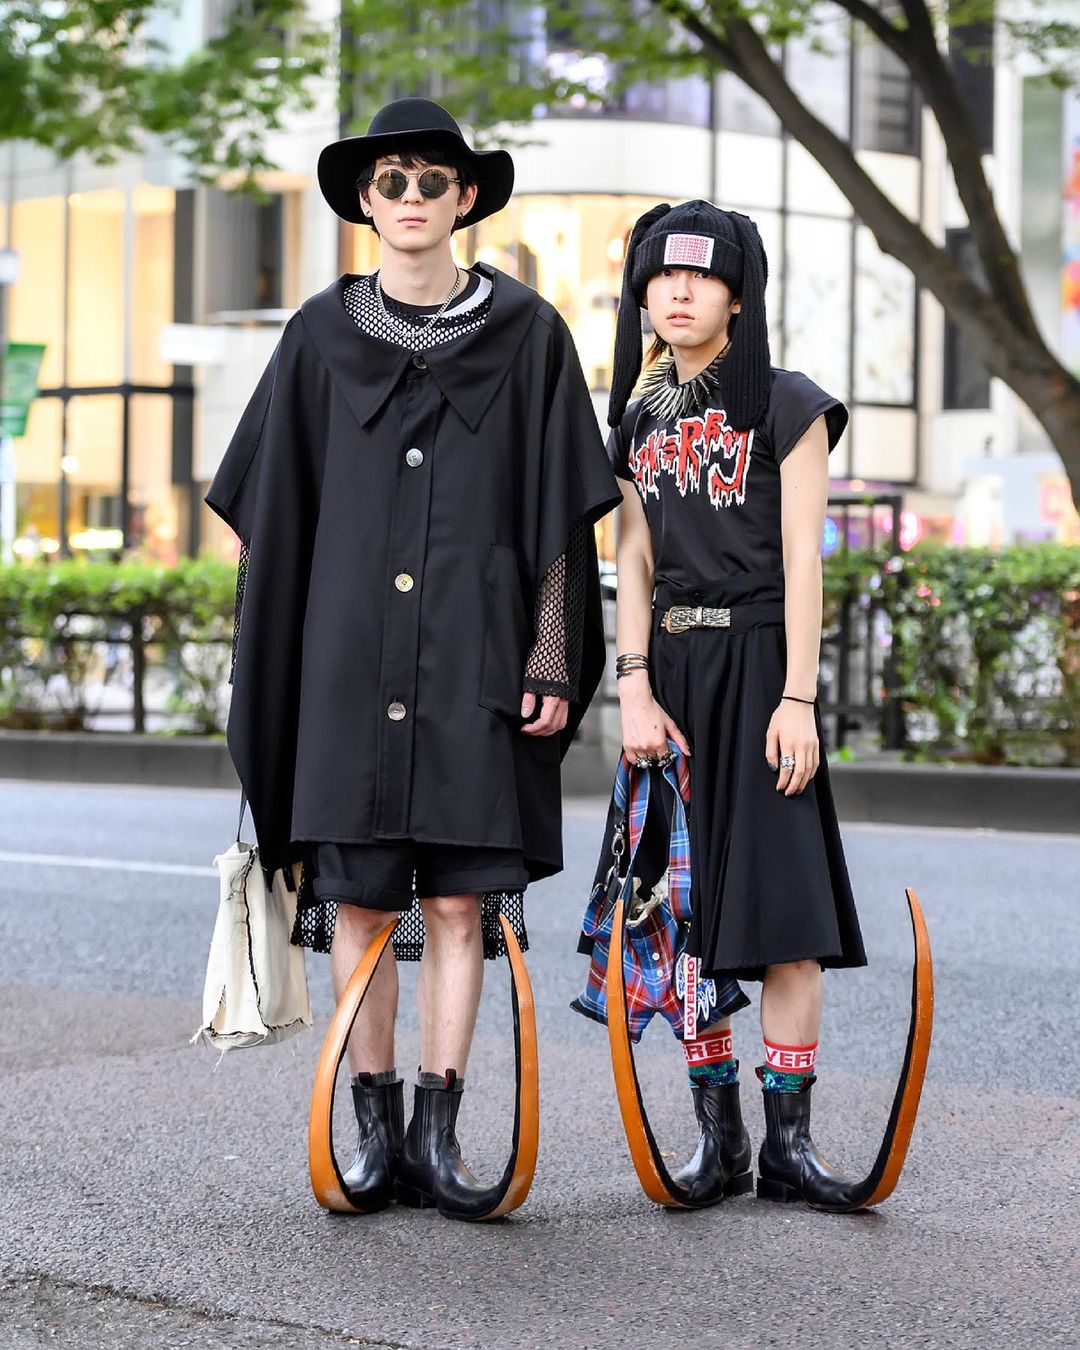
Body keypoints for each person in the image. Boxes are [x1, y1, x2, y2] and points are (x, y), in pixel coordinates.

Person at [206, 98, 620, 1221]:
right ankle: (372, 1126)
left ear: (466, 198)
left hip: (475, 667)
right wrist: (273, 664)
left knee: (455, 908)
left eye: (432, 182)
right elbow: (257, 510)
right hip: (345, 672)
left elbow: (557, 522)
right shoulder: (318, 334)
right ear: (367, 203)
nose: (412, 200)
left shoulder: (529, 335)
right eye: (391, 182)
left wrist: (548, 657)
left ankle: (442, 1129)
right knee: (359, 904)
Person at [604, 200, 868, 1210]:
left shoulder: (790, 404)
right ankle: (720, 1142)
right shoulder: (636, 416)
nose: (678, 293)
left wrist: (799, 696)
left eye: (702, 277)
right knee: (681, 915)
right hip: (668, 678)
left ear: (736, 293)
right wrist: (630, 684)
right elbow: (631, 555)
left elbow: (805, 558)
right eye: (662, 278)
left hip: (763, 668)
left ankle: (790, 1148)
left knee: (786, 914)